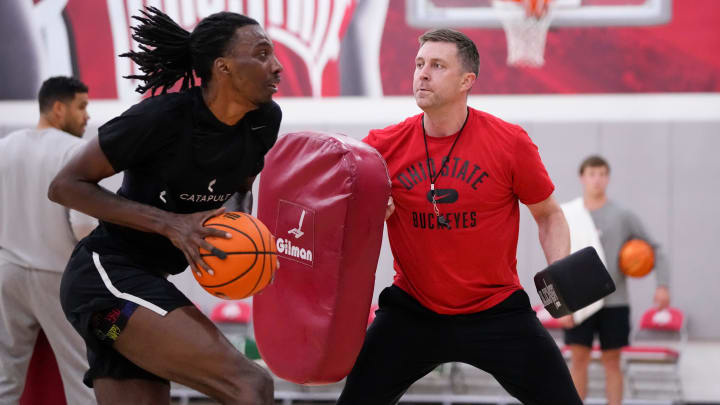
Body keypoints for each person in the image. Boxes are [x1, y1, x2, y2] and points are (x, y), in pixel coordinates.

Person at [48, 7, 282, 404]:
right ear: (223, 67)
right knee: (251, 385)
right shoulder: (163, 117)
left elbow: (241, 185)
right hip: (106, 276)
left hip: (146, 283)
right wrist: (172, 223)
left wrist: (240, 237)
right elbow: (65, 185)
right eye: (262, 54)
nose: (276, 66)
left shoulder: (263, 122)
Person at [337, 28, 582, 405]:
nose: (422, 73)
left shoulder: (509, 143)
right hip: (412, 311)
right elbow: (340, 215)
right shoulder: (379, 149)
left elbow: (548, 215)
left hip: (496, 310)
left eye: (437, 65)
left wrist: (561, 272)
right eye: (419, 64)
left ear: (468, 80)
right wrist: (366, 212)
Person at [0, 76, 96, 404]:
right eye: (81, 106)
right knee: (83, 374)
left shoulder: (5, 146)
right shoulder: (75, 150)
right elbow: (83, 224)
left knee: (5, 378)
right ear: (58, 108)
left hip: (8, 271)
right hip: (58, 274)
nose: (87, 116)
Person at [559, 155, 671, 405]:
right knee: (578, 360)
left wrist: (662, 285)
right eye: (592, 174)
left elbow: (657, 250)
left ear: (608, 178)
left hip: (615, 301)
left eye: (602, 174)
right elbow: (559, 260)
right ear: (582, 178)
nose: (597, 180)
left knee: (612, 362)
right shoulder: (568, 213)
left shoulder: (623, 215)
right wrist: (563, 304)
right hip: (580, 302)